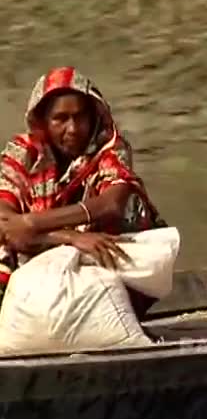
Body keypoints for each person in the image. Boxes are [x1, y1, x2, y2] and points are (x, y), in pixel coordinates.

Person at [0, 67, 167, 319]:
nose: (73, 129)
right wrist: (68, 237)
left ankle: (115, 312)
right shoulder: (24, 152)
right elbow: (5, 221)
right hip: (40, 248)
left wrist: (32, 222)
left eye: (80, 117)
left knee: (132, 202)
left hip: (99, 247)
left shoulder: (110, 148)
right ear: (44, 121)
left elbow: (112, 203)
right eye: (61, 119)